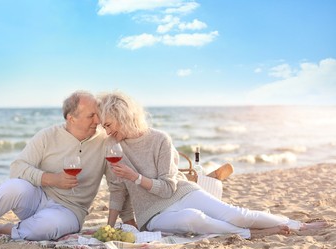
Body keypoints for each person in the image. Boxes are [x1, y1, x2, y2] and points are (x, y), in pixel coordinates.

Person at [98, 91, 328, 239]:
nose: (107, 132)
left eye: (109, 124)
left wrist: (135, 177)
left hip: (182, 193)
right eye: (104, 127)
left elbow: (168, 187)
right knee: (193, 219)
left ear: (123, 115)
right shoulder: (112, 146)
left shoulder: (160, 139)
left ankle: (299, 226)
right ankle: (249, 234)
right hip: (152, 215)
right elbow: (118, 191)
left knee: (235, 214)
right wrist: (107, 230)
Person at [0, 90, 115, 244]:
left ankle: (4, 229)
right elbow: (17, 168)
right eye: (91, 116)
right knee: (12, 186)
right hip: (38, 198)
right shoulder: (48, 136)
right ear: (71, 118)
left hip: (70, 211)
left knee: (47, 226)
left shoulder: (104, 143)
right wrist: (51, 179)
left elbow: (116, 184)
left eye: (98, 114)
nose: (98, 121)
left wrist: (126, 220)